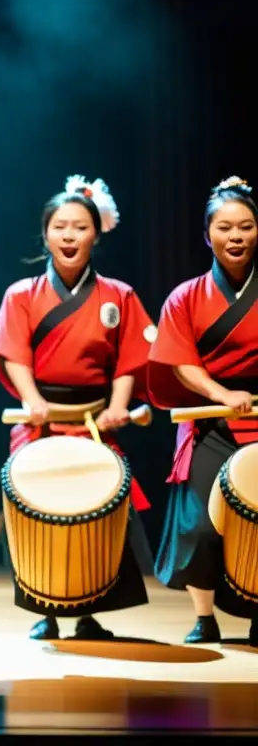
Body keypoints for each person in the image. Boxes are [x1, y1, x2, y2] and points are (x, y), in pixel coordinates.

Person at [0, 175, 156, 641]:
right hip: (40, 421)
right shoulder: (22, 294)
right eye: (60, 227)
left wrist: (119, 407)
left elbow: (129, 360)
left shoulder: (119, 295)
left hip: (94, 420)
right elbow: (14, 352)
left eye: (79, 227)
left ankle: (90, 612)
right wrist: (32, 400)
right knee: (37, 507)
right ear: (46, 234)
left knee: (103, 508)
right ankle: (47, 609)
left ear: (96, 234)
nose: (69, 236)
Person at [147, 175, 258, 646]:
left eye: (247, 226)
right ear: (207, 235)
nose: (236, 237)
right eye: (225, 227)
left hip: (257, 414)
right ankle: (204, 616)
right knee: (200, 522)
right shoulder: (186, 296)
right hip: (208, 418)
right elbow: (180, 361)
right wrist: (220, 395)